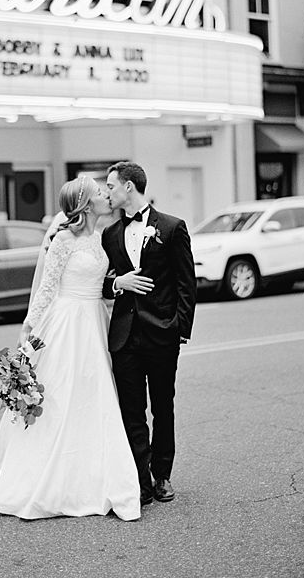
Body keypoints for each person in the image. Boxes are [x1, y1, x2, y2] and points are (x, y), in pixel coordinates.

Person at [0, 176, 140, 521]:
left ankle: (94, 473)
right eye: (99, 193)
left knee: (94, 395)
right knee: (61, 394)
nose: (106, 195)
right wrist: (29, 326)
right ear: (85, 204)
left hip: (94, 322)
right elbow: (47, 288)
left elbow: (100, 284)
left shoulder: (102, 237)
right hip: (67, 323)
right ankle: (46, 477)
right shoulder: (63, 240)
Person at [102, 161, 196, 506]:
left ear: (129, 186)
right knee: (131, 411)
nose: (107, 192)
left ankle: (163, 475)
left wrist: (179, 329)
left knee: (163, 406)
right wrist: (116, 283)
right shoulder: (109, 235)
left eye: (111, 186)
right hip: (124, 337)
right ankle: (140, 479)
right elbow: (99, 282)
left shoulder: (171, 228)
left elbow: (187, 284)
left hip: (162, 333)